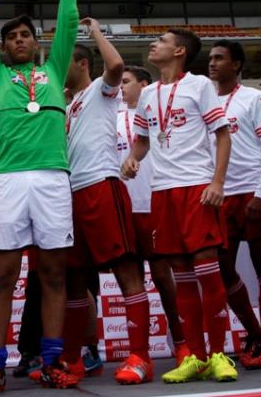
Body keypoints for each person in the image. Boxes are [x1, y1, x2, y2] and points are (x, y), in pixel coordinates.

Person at [0, 0, 96, 394]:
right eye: (12, 37)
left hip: (53, 179)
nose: (19, 40)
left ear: (37, 43)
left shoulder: (55, 69)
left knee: (53, 273)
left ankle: (51, 360)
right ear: (2, 48)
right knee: (3, 275)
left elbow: (69, 21)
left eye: (25, 35)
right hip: (10, 181)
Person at [121, 28, 237, 384]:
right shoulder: (147, 94)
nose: (153, 43)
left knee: (208, 271)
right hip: (162, 192)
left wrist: (217, 182)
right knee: (182, 277)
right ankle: (196, 357)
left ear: (179, 51)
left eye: (162, 40)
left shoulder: (199, 85)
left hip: (197, 186)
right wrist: (132, 158)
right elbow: (143, 141)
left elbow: (222, 135)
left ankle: (219, 354)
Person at [61, 18, 152, 385]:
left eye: (63, 60)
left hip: (101, 185)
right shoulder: (68, 106)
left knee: (126, 272)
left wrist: (95, 31)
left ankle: (140, 357)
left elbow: (115, 65)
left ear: (83, 64)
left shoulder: (101, 89)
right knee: (74, 279)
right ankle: (74, 359)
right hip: (71, 195)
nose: (55, 65)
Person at [207, 40, 261, 369]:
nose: (212, 63)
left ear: (237, 64)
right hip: (220, 196)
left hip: (252, 192)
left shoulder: (254, 98)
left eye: (219, 58)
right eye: (210, 58)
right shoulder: (205, 101)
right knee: (222, 268)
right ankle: (255, 334)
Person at [115, 65, 189, 366]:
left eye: (126, 81)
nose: (121, 87)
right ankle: (139, 353)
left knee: (162, 275)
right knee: (131, 279)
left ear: (143, 84)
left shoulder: (157, 113)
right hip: (124, 207)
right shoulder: (112, 116)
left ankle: (181, 341)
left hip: (153, 203)